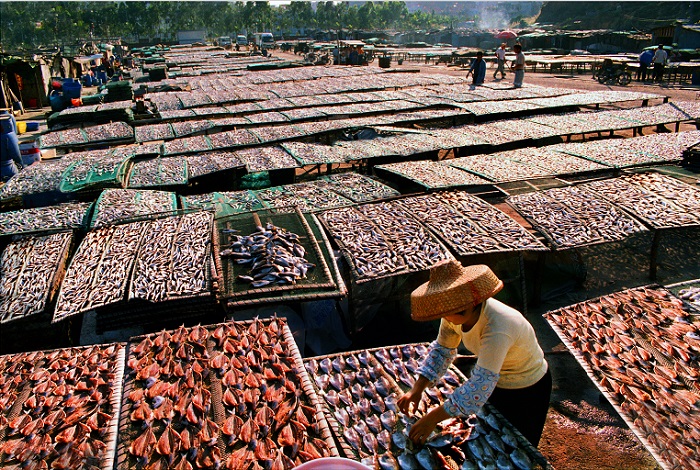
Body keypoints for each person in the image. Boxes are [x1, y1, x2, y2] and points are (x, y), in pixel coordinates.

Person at [397, 260, 551, 447]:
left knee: (520, 443)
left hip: (528, 387)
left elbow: (480, 384)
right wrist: (417, 389)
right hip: (496, 382)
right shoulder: (452, 314)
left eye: (448, 311)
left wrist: (433, 418)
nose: (444, 316)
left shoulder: (498, 327)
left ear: (469, 304)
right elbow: (442, 351)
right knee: (492, 435)